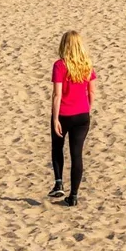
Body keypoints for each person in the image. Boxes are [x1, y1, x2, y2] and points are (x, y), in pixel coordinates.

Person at [49, 30, 96, 207]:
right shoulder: (87, 65)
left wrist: (55, 119)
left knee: (57, 147)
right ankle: (73, 195)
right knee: (76, 155)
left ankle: (59, 182)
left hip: (63, 115)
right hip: (82, 116)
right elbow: (91, 91)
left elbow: (57, 95)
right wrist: (87, 109)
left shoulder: (60, 66)